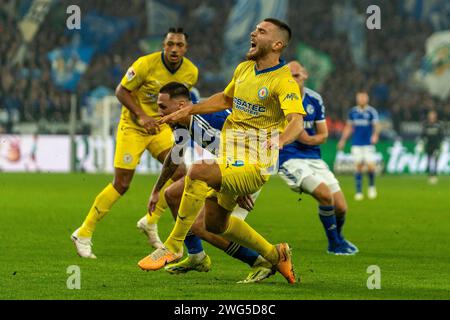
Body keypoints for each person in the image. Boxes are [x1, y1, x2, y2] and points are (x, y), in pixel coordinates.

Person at [138, 18, 306, 284]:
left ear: (277, 44)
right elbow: (226, 99)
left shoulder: (283, 81)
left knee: (199, 170)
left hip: (256, 163)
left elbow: (297, 119)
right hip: (230, 159)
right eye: (255, 28)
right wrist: (190, 108)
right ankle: (275, 254)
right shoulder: (244, 69)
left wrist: (281, 140)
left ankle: (173, 245)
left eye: (261, 31)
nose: (253, 32)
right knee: (214, 225)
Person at [71, 28, 198, 258]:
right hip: (133, 127)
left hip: (159, 129)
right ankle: (84, 232)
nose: (174, 49)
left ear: (186, 48)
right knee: (122, 183)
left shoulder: (191, 72)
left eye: (179, 45)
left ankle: (150, 222)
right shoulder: (144, 64)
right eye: (170, 44)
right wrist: (141, 115)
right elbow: (121, 91)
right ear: (163, 45)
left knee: (181, 171)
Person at [146, 81, 274, 283]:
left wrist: (238, 186)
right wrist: (156, 190)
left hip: (247, 172)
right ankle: (196, 256)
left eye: (163, 107)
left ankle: (261, 261)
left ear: (180, 106)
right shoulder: (182, 123)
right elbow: (174, 157)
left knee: (204, 226)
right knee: (172, 194)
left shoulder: (209, 118)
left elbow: (243, 147)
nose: (159, 112)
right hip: (227, 169)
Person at [278, 61, 357, 255]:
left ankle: (338, 238)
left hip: (313, 157)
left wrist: (307, 138)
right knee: (324, 194)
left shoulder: (314, 99)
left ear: (305, 75)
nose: (293, 80)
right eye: (289, 77)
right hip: (288, 158)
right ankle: (334, 244)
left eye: (296, 76)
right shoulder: (280, 99)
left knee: (341, 207)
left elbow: (324, 135)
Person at [338, 90, 380, 200]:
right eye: (360, 97)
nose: (362, 99)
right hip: (356, 143)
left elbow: (376, 125)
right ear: (357, 99)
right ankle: (359, 191)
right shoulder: (353, 112)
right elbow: (348, 127)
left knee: (371, 166)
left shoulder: (371, 112)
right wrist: (343, 140)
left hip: (368, 144)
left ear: (367, 99)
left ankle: (371, 186)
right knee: (358, 167)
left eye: (363, 97)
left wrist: (375, 135)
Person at [419, 110, 446, 184]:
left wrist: (442, 144)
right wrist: (421, 143)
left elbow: (442, 135)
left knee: (435, 160)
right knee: (429, 160)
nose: (431, 117)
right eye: (430, 115)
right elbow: (422, 135)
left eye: (433, 115)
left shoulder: (439, 124)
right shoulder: (426, 124)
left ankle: (435, 174)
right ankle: (430, 174)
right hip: (429, 145)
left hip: (436, 145)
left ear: (435, 116)